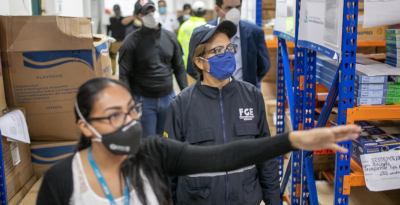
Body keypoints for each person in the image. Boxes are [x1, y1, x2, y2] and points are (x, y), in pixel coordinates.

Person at [37, 77, 360, 205]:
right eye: (113, 116)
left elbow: (223, 157)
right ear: (84, 125)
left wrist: (292, 140)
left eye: (131, 111)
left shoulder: (153, 153)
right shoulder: (63, 180)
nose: (129, 122)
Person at [166, 20, 278, 204]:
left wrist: (274, 200)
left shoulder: (252, 96)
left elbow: (265, 156)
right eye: (218, 50)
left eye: (229, 48)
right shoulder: (181, 105)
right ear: (200, 62)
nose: (226, 54)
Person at [118, 0, 187, 138]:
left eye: (152, 10)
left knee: (167, 141)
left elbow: (179, 68)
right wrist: (128, 103)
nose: (151, 14)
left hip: (168, 98)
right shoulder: (131, 41)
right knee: (147, 144)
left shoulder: (170, 38)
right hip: (143, 101)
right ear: (138, 17)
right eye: (146, 13)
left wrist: (186, 95)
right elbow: (124, 75)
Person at [186, 0, 271, 87]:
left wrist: (247, 86)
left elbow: (264, 66)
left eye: (238, 7)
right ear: (217, 10)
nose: (234, 12)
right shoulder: (202, 33)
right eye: (229, 8)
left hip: (242, 94)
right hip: (213, 94)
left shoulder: (254, 32)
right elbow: (192, 68)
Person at [177, 1, 207, 69]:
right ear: (205, 12)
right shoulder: (206, 27)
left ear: (192, 11)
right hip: (201, 64)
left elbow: (178, 44)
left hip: (185, 64)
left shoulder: (184, 26)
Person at [107, 4, 128, 74]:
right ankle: (113, 72)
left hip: (123, 41)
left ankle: (124, 72)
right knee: (113, 57)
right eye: (115, 10)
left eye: (117, 9)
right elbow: (108, 32)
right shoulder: (111, 20)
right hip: (114, 41)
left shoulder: (124, 19)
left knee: (124, 58)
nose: (117, 11)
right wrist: (108, 43)